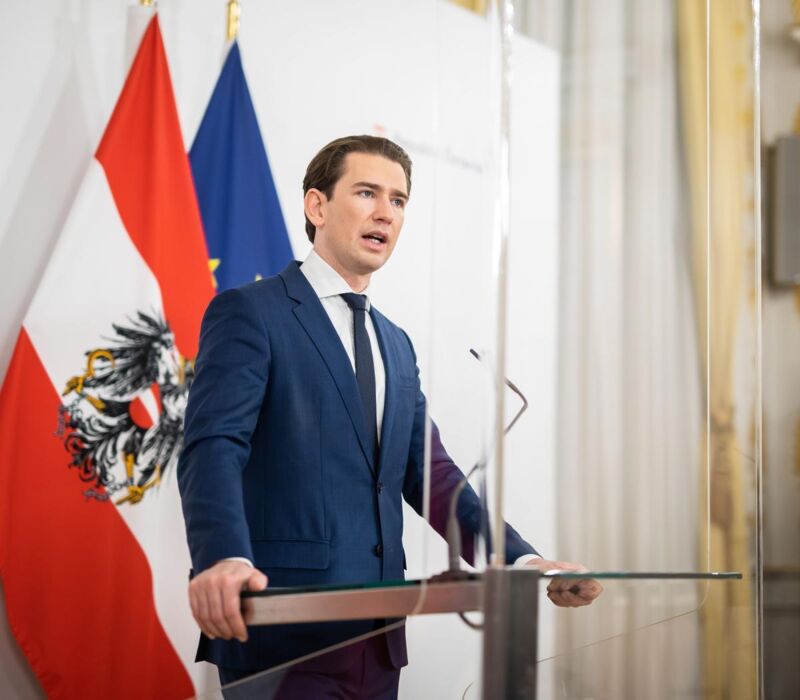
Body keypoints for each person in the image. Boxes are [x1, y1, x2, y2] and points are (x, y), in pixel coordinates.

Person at [178, 135, 600, 699]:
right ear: (317, 206)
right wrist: (222, 558)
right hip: (282, 635)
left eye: (398, 200)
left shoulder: (395, 344)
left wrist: (524, 561)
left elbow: (433, 477)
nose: (386, 212)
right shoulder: (251, 314)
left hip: (378, 642)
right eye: (367, 193)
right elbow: (213, 447)